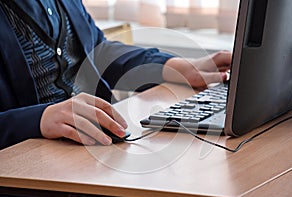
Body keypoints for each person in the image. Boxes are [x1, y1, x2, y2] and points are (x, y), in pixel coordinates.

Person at [0, 0, 232, 149]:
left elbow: (98, 51)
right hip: (34, 168)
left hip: (101, 148)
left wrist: (176, 67)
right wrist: (38, 119)